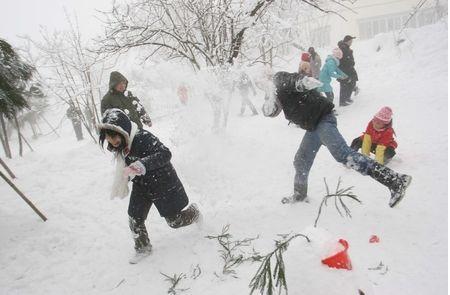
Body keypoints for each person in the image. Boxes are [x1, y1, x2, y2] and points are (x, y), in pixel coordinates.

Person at [262, 71, 411, 208]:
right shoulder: (272, 93)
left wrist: (304, 81)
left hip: (322, 120)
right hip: (313, 127)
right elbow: (270, 112)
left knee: (344, 155)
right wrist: (270, 99)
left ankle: (396, 181)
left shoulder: (278, 79)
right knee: (301, 160)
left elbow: (293, 80)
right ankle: (300, 195)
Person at [98, 108, 201, 264]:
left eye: (114, 136)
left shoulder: (143, 137)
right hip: (142, 185)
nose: (112, 141)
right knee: (134, 217)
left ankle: (194, 213)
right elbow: (126, 162)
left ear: (123, 130)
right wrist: (127, 175)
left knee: (174, 221)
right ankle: (143, 247)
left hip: (163, 183)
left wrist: (141, 164)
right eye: (108, 138)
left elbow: (165, 153)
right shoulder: (121, 146)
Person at [337, 35, 358, 106]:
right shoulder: (343, 48)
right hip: (345, 70)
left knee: (351, 83)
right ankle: (342, 101)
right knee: (344, 85)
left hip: (348, 69)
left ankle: (346, 98)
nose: (351, 42)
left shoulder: (345, 48)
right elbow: (345, 60)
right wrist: (351, 62)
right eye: (351, 41)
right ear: (348, 41)